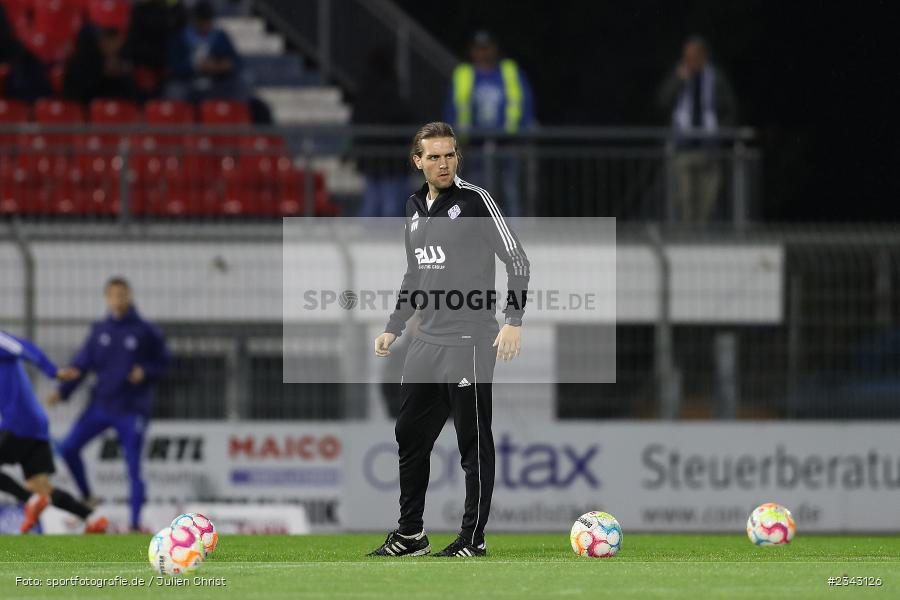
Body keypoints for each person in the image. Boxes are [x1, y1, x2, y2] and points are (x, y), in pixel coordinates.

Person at [368, 122, 530, 558]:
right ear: (417, 161)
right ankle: (411, 534)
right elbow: (414, 274)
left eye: (450, 155)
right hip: (426, 343)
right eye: (434, 157)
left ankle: (472, 539)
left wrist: (513, 318)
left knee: (472, 444)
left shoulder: (475, 200)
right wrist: (393, 326)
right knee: (409, 436)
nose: (444, 163)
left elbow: (518, 261)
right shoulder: (413, 206)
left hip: (471, 340)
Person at [48, 277, 170, 532]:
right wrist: (62, 391)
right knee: (69, 447)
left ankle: (135, 523)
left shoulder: (145, 331)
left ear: (130, 297)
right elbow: (81, 365)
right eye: (113, 295)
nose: (118, 300)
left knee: (133, 466)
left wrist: (146, 372)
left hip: (131, 408)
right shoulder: (100, 331)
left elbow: (165, 363)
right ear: (107, 298)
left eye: (122, 295)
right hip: (101, 405)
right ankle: (87, 496)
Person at [0, 330, 108, 534]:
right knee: (40, 486)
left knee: (34, 494)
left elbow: (24, 347)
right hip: (34, 426)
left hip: (19, 423)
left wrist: (53, 371)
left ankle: (30, 501)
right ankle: (93, 518)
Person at [444, 31, 536, 217]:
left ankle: (512, 238)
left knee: (510, 192)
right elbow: (452, 108)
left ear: (495, 49)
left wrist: (522, 135)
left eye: (487, 48)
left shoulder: (509, 71)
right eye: (479, 49)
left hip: (507, 143)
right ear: (472, 51)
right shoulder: (464, 74)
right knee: (475, 191)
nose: (483, 53)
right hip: (474, 145)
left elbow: (525, 104)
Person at [658, 36, 738, 224]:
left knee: (708, 203)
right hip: (683, 149)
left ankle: (702, 240)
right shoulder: (679, 75)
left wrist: (720, 132)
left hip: (709, 149)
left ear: (704, 57)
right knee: (685, 200)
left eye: (693, 57)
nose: (689, 61)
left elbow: (731, 109)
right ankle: (686, 241)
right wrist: (678, 81)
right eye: (686, 57)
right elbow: (662, 102)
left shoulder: (716, 78)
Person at [353, 44, 413, 218]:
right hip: (391, 160)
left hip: (371, 159)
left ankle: (367, 243)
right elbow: (403, 116)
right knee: (390, 207)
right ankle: (386, 243)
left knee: (372, 205)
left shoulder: (364, 89)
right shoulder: (389, 89)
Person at [165, 0, 247, 103]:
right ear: (194, 21)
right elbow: (174, 67)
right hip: (188, 82)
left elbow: (236, 61)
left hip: (216, 83)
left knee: (241, 84)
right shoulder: (181, 38)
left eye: (208, 21)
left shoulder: (220, 37)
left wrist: (224, 65)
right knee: (174, 91)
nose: (206, 25)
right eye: (202, 22)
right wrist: (195, 66)